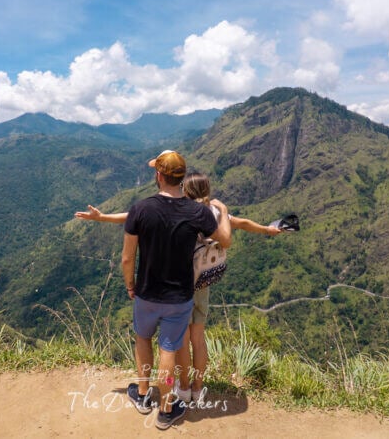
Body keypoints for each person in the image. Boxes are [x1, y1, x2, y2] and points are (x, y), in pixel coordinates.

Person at [76, 171, 282, 407]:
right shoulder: (212, 213)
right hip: (202, 284)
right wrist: (266, 229)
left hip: (180, 285)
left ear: (185, 189)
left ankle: (182, 388)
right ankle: (197, 388)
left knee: (178, 342)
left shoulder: (180, 211)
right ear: (207, 190)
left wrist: (102, 218)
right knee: (198, 338)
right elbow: (241, 224)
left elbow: (133, 216)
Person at [110, 150, 231, 430]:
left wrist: (131, 284)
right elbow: (224, 239)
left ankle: (142, 395)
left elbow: (127, 258)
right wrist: (223, 211)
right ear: (181, 178)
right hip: (179, 298)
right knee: (168, 350)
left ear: (159, 176)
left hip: (146, 292)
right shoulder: (197, 211)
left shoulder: (141, 209)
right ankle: (166, 410)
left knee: (143, 340)